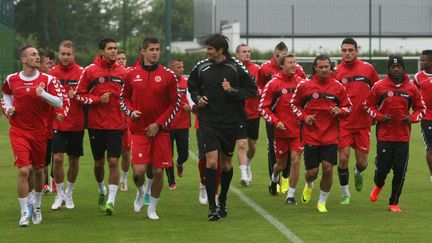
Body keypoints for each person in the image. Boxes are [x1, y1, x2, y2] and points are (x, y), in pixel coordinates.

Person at [188, 34, 257, 221]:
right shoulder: (201, 66)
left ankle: (223, 198)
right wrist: (197, 99)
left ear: (220, 50)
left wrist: (232, 91)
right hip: (208, 120)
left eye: (210, 48)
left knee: (226, 164)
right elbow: (191, 87)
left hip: (230, 122)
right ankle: (212, 207)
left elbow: (252, 89)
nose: (206, 51)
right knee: (211, 162)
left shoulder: (235, 66)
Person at [2, 45, 63, 226]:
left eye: (38, 54)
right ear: (23, 59)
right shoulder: (11, 79)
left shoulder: (48, 79)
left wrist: (43, 94)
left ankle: (36, 206)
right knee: (23, 170)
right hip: (19, 131)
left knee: (38, 171)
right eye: (33, 55)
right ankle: (24, 213)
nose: (38, 57)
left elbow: (59, 102)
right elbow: (6, 94)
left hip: (40, 133)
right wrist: (8, 108)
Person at [121, 37, 179, 220]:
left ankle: (152, 208)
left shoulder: (168, 75)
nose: (155, 53)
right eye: (151, 49)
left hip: (161, 132)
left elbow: (174, 103)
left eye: (157, 49)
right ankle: (140, 192)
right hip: (139, 131)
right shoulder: (131, 74)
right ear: (143, 52)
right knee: (138, 172)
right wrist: (131, 112)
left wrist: (159, 124)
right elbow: (123, 98)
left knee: (158, 171)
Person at [291, 54, 352, 213]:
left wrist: (340, 111)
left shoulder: (338, 87)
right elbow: (294, 105)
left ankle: (321, 202)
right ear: (315, 68)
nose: (324, 70)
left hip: (330, 136)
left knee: (328, 168)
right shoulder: (305, 86)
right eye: (321, 67)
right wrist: (304, 117)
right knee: (312, 173)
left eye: (327, 67)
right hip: (311, 136)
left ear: (331, 67)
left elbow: (348, 107)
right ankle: (309, 184)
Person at [75, 38, 128, 215]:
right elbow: (79, 96)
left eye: (115, 48)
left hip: (116, 124)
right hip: (96, 125)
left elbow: (130, 97)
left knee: (113, 161)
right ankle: (101, 191)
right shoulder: (90, 71)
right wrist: (97, 100)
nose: (114, 51)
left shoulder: (123, 72)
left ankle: (111, 201)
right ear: (101, 51)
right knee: (99, 163)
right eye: (110, 48)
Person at [366, 55, 425, 212]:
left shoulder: (411, 88)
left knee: (400, 171)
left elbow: (421, 108)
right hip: (385, 136)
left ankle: (393, 203)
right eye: (393, 67)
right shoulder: (379, 86)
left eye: (399, 66)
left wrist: (411, 118)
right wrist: (380, 117)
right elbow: (367, 106)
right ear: (388, 69)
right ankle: (379, 184)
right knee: (382, 170)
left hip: (403, 137)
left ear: (403, 68)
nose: (396, 69)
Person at [332, 38, 380, 204]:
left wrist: (375, 113)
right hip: (343, 123)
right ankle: (345, 193)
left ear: (356, 51)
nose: (347, 53)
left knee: (362, 162)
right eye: (344, 50)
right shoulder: (336, 72)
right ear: (341, 51)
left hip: (363, 123)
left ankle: (358, 173)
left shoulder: (368, 69)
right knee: (343, 158)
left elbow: (378, 91)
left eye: (350, 50)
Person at [257, 41, 306, 194]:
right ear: (281, 64)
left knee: (296, 160)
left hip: (297, 129)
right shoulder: (272, 81)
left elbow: (309, 100)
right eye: (290, 63)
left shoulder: (301, 81)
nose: (294, 65)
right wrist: (275, 121)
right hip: (279, 127)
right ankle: (275, 178)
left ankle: (290, 194)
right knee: (280, 162)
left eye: (294, 62)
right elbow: (262, 106)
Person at [48, 40, 85, 210]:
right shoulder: (51, 73)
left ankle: (69, 192)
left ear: (73, 55)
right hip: (57, 122)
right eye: (62, 53)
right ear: (58, 53)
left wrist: (77, 94)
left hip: (76, 123)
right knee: (57, 158)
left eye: (68, 54)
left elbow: (87, 96)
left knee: (74, 159)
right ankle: (60, 193)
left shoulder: (81, 73)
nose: (65, 57)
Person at [235, 44, 260, 186]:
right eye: (244, 52)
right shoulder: (233, 69)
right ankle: (244, 174)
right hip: (238, 113)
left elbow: (264, 86)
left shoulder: (257, 70)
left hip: (253, 113)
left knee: (252, 146)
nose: (247, 54)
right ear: (237, 55)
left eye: (249, 51)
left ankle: (248, 164)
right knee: (241, 144)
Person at [165, 57, 191, 190]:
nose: (181, 69)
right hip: (168, 125)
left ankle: (180, 163)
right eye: (178, 67)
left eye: (182, 67)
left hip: (183, 124)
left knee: (184, 154)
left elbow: (192, 100)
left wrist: (189, 107)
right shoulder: (166, 83)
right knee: (167, 155)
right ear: (171, 68)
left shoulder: (187, 82)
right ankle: (171, 181)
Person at [414, 50, 432, 183]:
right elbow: (412, 93)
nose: (421, 62)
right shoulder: (418, 77)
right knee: (430, 149)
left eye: (424, 60)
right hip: (426, 117)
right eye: (420, 60)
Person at [39, 50, 56, 194]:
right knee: (42, 160)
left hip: (54, 125)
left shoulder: (53, 81)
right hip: (40, 126)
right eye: (47, 63)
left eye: (51, 63)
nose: (50, 66)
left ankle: (52, 181)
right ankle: (44, 184)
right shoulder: (32, 80)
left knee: (55, 156)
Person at [116, 50, 131, 191]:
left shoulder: (130, 76)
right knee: (113, 154)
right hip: (113, 119)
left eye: (123, 58)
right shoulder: (113, 75)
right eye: (118, 58)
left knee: (126, 151)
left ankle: (124, 178)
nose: (121, 60)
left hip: (127, 120)